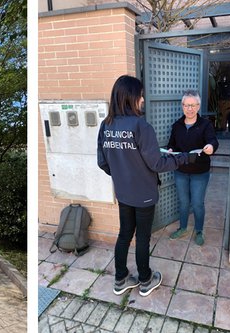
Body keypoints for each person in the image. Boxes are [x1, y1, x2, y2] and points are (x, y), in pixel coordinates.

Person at [97, 75, 196, 297]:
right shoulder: (141, 126)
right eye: (141, 95)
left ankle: (120, 279)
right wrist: (183, 158)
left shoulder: (106, 125)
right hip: (143, 194)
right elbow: (157, 163)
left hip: (123, 192)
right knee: (142, 238)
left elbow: (102, 161)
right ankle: (145, 279)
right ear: (132, 97)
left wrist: (123, 174)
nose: (143, 99)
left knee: (124, 235)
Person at [167, 90, 219, 246]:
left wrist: (210, 146)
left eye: (192, 105)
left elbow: (212, 141)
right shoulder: (177, 125)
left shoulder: (205, 124)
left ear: (198, 106)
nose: (189, 109)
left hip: (199, 172)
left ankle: (198, 230)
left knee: (197, 203)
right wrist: (170, 150)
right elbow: (172, 144)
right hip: (181, 171)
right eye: (186, 105)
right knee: (183, 203)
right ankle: (182, 228)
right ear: (182, 106)